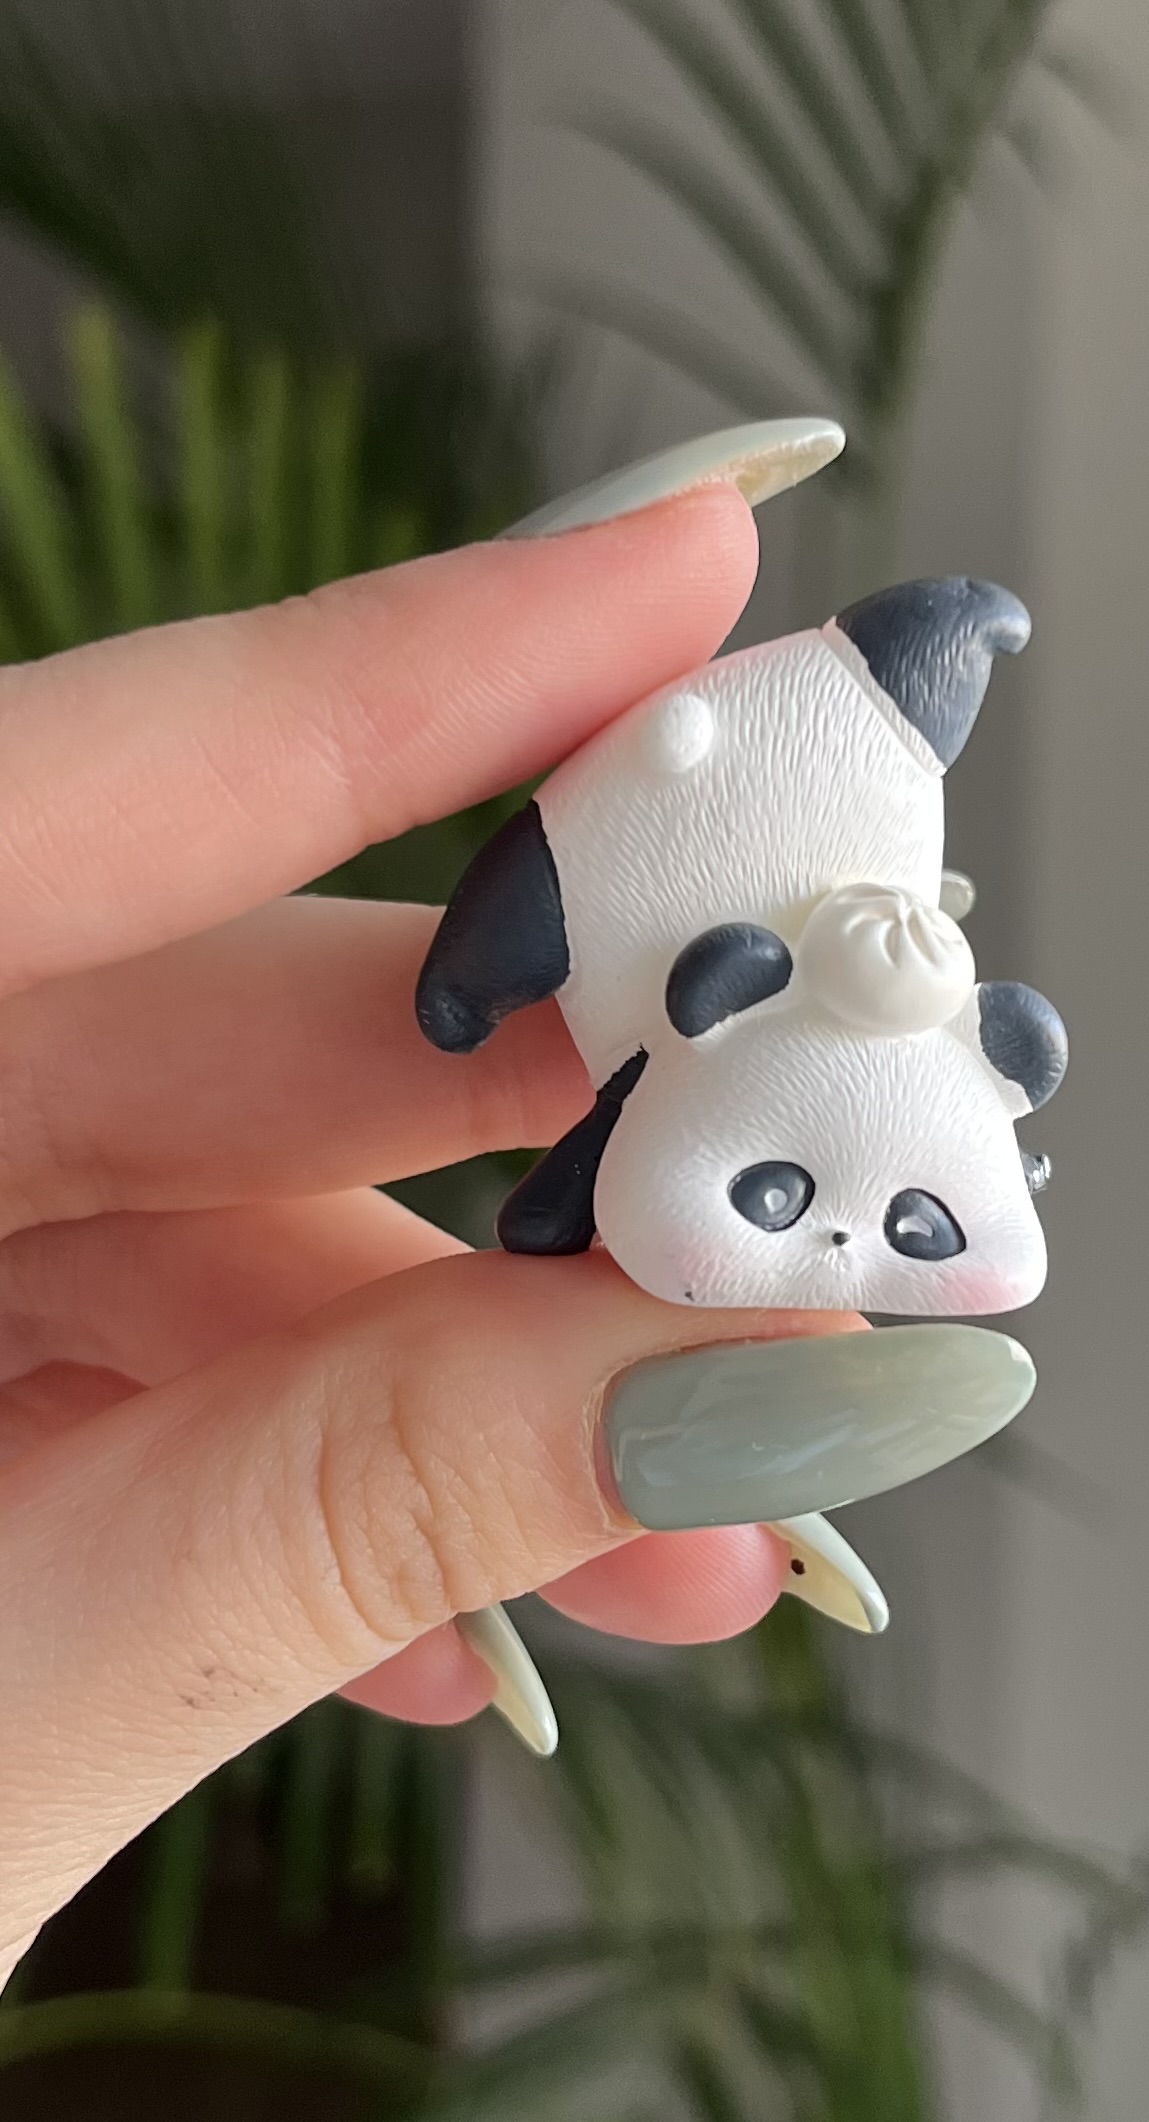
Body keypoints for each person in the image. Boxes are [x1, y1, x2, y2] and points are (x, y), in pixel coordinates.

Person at [0, 424, 1033, 1990]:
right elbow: (547, 1043)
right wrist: (476, 991)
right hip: (646, 844)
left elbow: (587, 1158)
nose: (835, 1253)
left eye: (917, 1236)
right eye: (778, 1191)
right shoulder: (693, 976)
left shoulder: (811, 981)